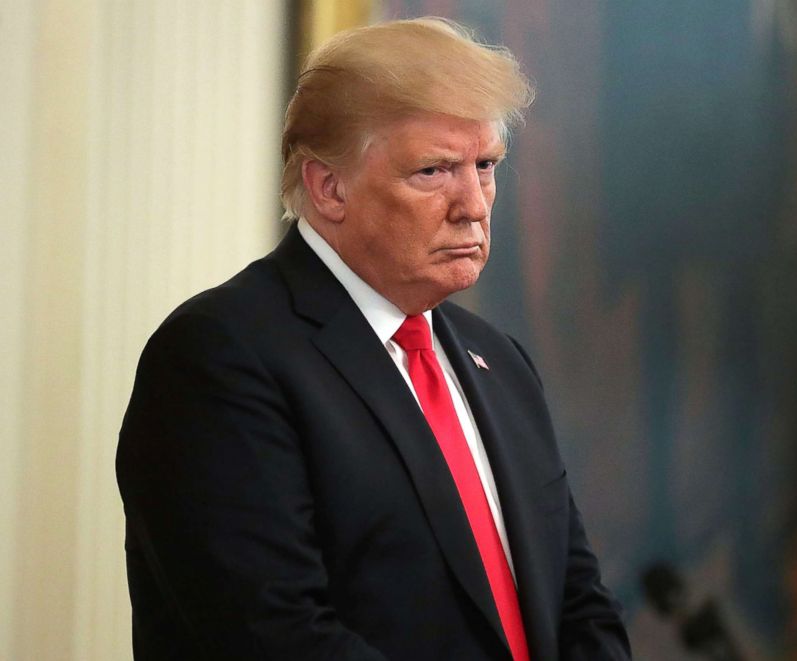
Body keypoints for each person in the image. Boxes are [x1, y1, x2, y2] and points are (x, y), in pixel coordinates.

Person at [117, 17, 631, 661]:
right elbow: (271, 635)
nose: (474, 203)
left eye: (486, 165)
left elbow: (577, 599)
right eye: (434, 171)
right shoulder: (219, 357)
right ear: (328, 187)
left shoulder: (499, 360)